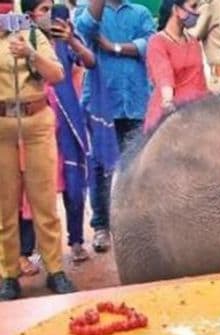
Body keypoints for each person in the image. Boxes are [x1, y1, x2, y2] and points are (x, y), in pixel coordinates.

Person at [0, 0, 77, 300]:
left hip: (36, 122)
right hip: (3, 126)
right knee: (5, 206)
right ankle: (8, 274)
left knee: (44, 201)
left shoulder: (33, 36)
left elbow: (57, 75)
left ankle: (55, 269)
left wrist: (30, 53)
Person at [76, 0, 154, 253]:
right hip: (101, 103)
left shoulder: (140, 12)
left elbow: (149, 45)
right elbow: (84, 30)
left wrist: (113, 47)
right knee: (100, 168)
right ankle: (101, 226)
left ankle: (132, 224)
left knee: (135, 166)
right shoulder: (86, 9)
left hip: (135, 100)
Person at [48, 3, 96, 262]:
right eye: (43, 10)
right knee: (31, 191)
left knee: (74, 185)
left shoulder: (66, 42)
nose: (51, 19)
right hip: (36, 122)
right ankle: (26, 250)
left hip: (67, 121)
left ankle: (76, 240)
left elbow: (90, 61)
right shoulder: (24, 40)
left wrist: (72, 41)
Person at [144, 0, 208, 131]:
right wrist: (168, 102)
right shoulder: (157, 42)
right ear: (176, 9)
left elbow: (200, 82)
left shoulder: (193, 42)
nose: (197, 13)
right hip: (168, 117)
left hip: (195, 115)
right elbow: (163, 76)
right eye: (193, 7)